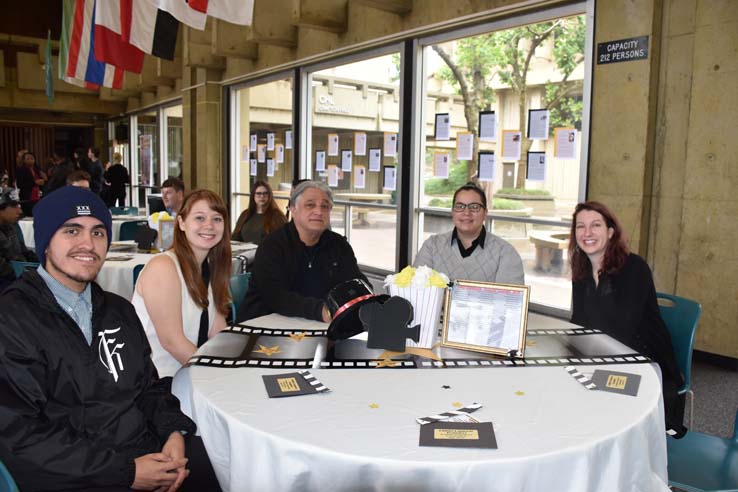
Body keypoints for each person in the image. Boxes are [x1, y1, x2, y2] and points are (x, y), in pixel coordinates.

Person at [0, 185, 220, 491]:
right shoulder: (12, 320)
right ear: (46, 242)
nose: (87, 244)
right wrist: (126, 473)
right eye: (72, 231)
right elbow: (20, 434)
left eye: (98, 233)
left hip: (142, 450)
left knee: (230, 469)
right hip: (76, 475)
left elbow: (148, 389)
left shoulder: (117, 311)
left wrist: (173, 434)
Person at [568, 200, 686, 436]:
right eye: (580, 227)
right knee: (564, 390)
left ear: (610, 232)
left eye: (596, 225)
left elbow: (623, 328)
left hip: (641, 358)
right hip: (601, 356)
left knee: (602, 412)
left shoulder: (634, 268)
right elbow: (579, 322)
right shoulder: (581, 269)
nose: (587, 233)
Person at [133, 189, 232, 377]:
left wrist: (242, 362)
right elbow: (172, 342)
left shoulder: (209, 268)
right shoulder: (163, 266)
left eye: (217, 219)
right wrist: (218, 376)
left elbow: (218, 331)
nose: (209, 225)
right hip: (158, 383)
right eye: (200, 218)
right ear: (181, 223)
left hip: (187, 374)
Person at [237, 180, 367, 323]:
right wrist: (320, 310)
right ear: (293, 208)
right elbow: (274, 296)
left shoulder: (339, 245)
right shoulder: (272, 245)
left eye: (325, 206)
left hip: (319, 326)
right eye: (310, 205)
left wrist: (365, 298)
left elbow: (356, 282)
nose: (318, 211)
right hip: (266, 325)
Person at [414, 182, 524, 284]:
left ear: (485, 213)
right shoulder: (432, 246)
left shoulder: (505, 253)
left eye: (474, 207)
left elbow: (508, 301)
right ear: (452, 212)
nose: (466, 213)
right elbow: (416, 290)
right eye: (460, 206)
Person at [0, 187, 37, 291]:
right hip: (8, 286)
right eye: (14, 206)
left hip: (20, 278)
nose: (19, 210)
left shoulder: (11, 226)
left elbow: (24, 252)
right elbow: (3, 270)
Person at [232, 180, 287, 244]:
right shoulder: (245, 214)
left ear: (270, 196)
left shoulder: (278, 216)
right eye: (258, 193)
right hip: (245, 252)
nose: (262, 196)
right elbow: (235, 238)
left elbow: (284, 240)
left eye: (265, 193)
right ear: (253, 195)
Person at [15, 151, 46, 216]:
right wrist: (34, 182)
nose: (30, 160)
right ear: (24, 160)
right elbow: (19, 184)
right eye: (28, 159)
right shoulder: (21, 169)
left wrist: (44, 180)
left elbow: (44, 180)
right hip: (27, 196)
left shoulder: (37, 169)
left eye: (32, 158)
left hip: (38, 195)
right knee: (29, 214)